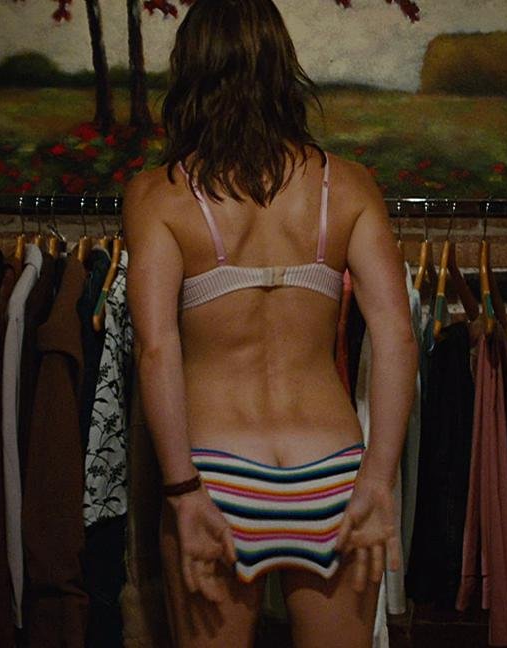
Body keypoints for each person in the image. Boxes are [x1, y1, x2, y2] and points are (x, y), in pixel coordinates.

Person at [122, 1, 419, 645]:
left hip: (213, 474)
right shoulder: (350, 186)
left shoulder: (156, 195)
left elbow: (156, 349)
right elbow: (397, 337)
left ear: (190, 72)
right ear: (283, 68)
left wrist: (182, 493)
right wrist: (379, 479)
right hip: (332, 472)